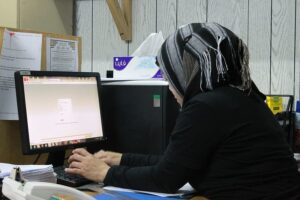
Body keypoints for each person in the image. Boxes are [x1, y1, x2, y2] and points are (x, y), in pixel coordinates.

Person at [66, 23, 300, 199]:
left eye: (169, 79)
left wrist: (102, 174)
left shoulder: (206, 106)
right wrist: (121, 159)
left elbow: (165, 179)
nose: (170, 89)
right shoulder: (241, 95)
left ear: (184, 71)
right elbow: (178, 162)